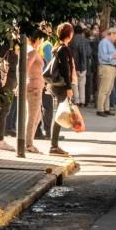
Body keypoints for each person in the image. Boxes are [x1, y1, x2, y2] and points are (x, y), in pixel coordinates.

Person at [46, 23, 74, 156]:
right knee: (59, 115)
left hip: (56, 85)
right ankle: (53, 146)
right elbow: (65, 70)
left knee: (59, 114)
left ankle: (54, 145)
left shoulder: (58, 47)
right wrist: (69, 87)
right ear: (69, 34)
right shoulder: (63, 49)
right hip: (61, 86)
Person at [0, 40, 18, 151]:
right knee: (4, 110)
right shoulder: (9, 44)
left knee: (2, 110)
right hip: (5, 83)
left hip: (9, 82)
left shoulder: (14, 44)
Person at [25, 31, 46, 154]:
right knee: (33, 116)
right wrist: (20, 84)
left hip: (36, 86)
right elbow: (25, 67)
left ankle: (29, 142)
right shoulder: (32, 51)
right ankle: (28, 144)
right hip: (34, 87)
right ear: (37, 39)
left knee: (37, 116)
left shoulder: (32, 50)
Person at [97, 28, 116, 117]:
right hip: (106, 67)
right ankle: (100, 109)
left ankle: (106, 109)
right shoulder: (104, 42)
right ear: (111, 34)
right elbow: (103, 56)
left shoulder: (109, 43)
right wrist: (115, 56)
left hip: (111, 67)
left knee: (108, 90)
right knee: (104, 89)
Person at [37, 23, 54, 140]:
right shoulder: (47, 45)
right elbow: (49, 63)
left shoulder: (38, 44)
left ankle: (38, 131)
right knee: (48, 107)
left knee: (39, 105)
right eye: (49, 30)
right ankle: (47, 132)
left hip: (38, 77)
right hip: (45, 79)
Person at [70, 24, 91, 107]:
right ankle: (82, 100)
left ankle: (76, 100)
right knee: (82, 84)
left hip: (73, 64)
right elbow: (88, 53)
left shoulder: (71, 41)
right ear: (82, 32)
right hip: (83, 65)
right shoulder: (85, 41)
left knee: (74, 83)